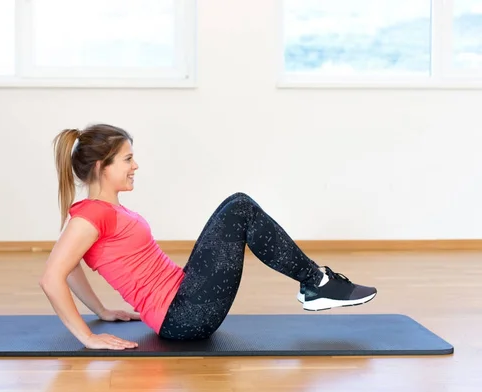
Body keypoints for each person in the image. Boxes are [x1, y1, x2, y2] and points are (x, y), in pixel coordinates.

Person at [40, 123, 377, 351]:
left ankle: (316, 283)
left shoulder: (94, 212)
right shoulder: (92, 215)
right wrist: (87, 337)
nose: (135, 166)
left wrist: (101, 310)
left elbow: (68, 267)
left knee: (236, 203)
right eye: (127, 159)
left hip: (184, 299)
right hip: (184, 316)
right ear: (102, 166)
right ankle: (317, 283)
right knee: (241, 207)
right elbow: (52, 276)